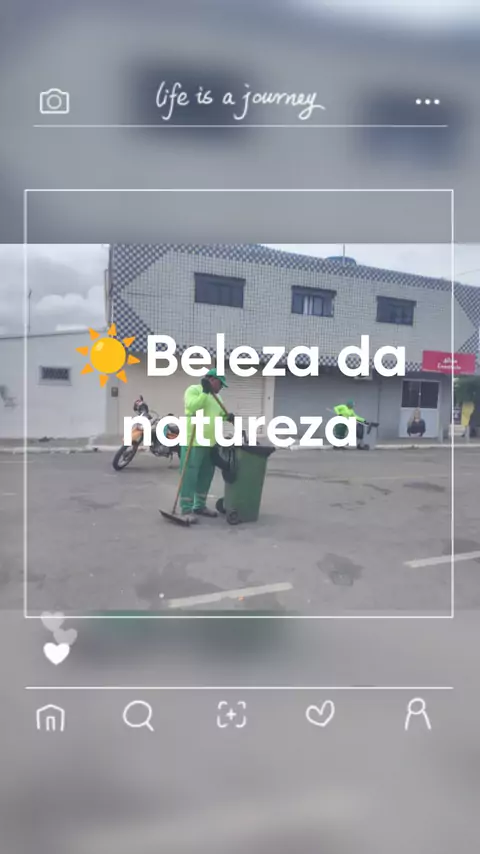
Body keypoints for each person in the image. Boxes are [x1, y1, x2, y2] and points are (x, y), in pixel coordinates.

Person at [179, 369, 234, 523]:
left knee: (205, 476)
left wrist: (227, 417)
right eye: (220, 384)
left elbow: (218, 415)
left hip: (210, 443)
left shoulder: (218, 397)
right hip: (193, 442)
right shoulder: (193, 390)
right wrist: (204, 392)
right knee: (189, 476)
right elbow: (192, 407)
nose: (221, 388)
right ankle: (185, 509)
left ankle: (200, 506)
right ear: (212, 380)